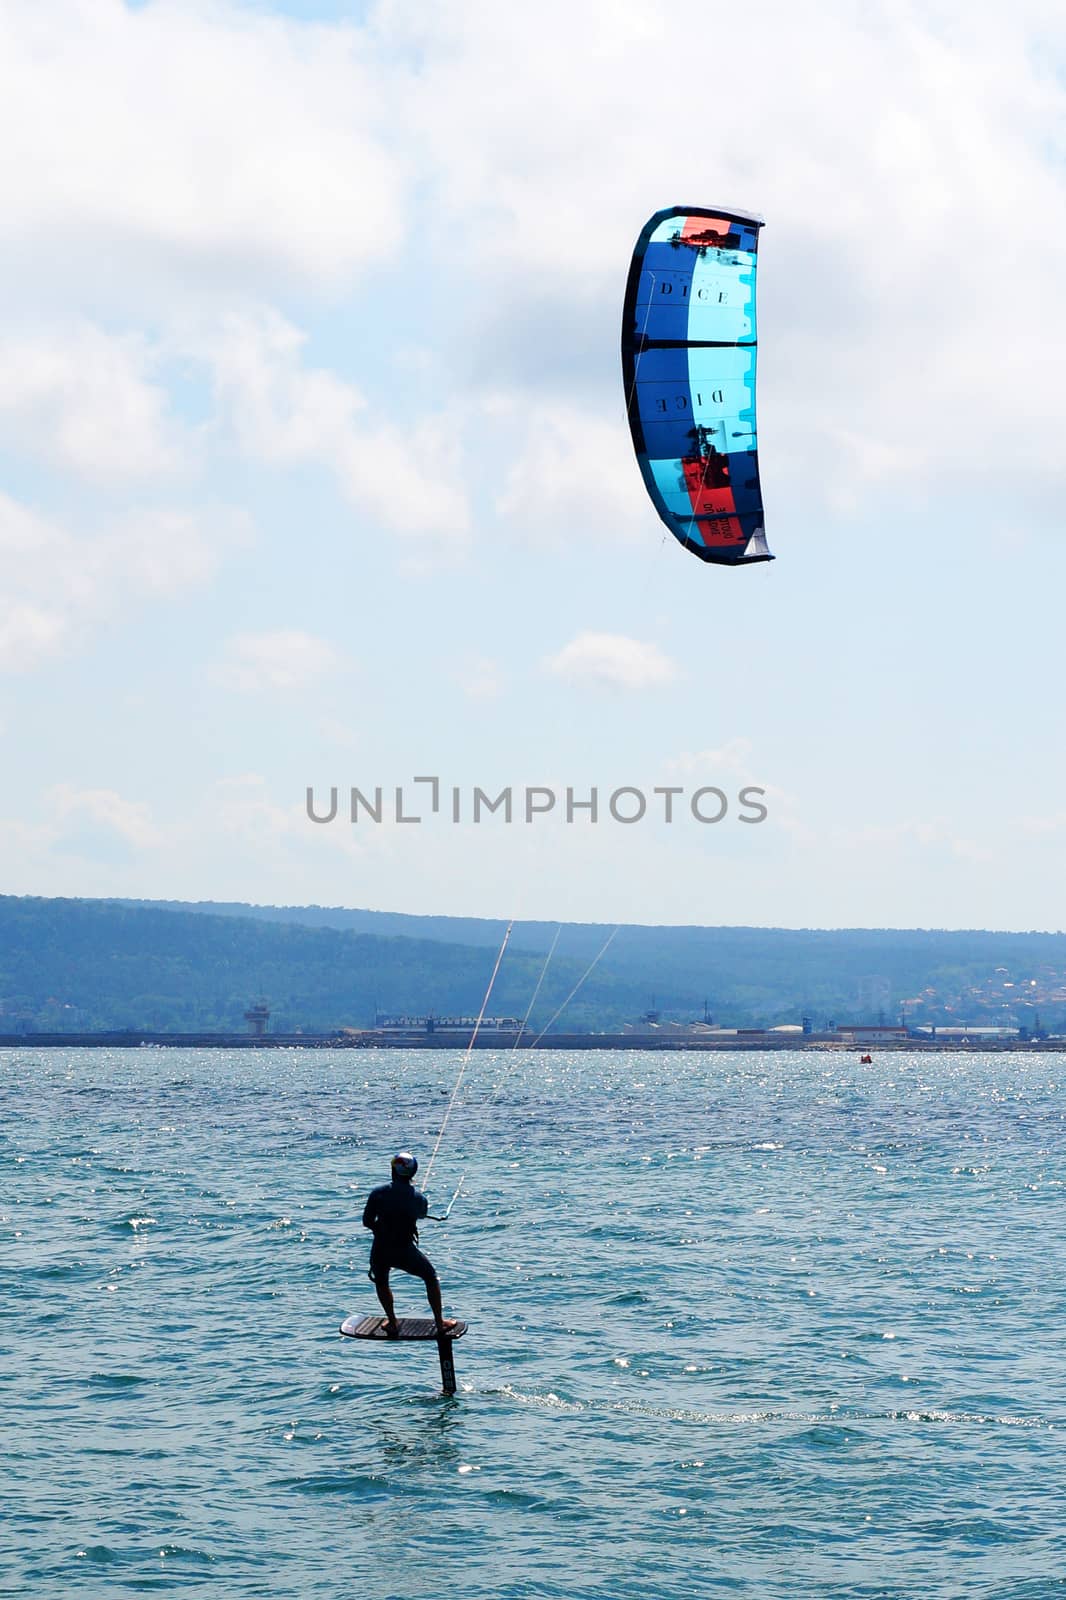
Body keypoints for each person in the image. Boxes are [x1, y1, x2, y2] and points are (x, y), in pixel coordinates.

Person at [362, 1151, 457, 1337]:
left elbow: (367, 1221)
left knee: (382, 1282)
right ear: (413, 1174)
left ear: (392, 1171)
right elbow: (421, 1214)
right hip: (404, 1249)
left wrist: (379, 1229)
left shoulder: (377, 1193)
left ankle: (392, 1322)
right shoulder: (419, 1199)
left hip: (380, 1248)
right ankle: (440, 1323)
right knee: (430, 1277)